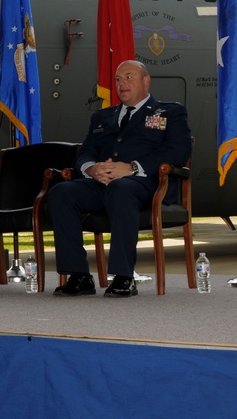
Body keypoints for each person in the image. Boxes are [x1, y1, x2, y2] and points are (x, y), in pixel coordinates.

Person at [49, 60, 192, 298]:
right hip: (101, 183)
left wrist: (132, 168)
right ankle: (79, 275)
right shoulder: (103, 117)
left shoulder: (169, 112)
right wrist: (91, 168)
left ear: (146, 81)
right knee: (61, 192)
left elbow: (178, 151)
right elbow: (85, 152)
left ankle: (123, 277)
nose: (122, 84)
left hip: (145, 185)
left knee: (122, 189)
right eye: (117, 79)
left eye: (128, 77)